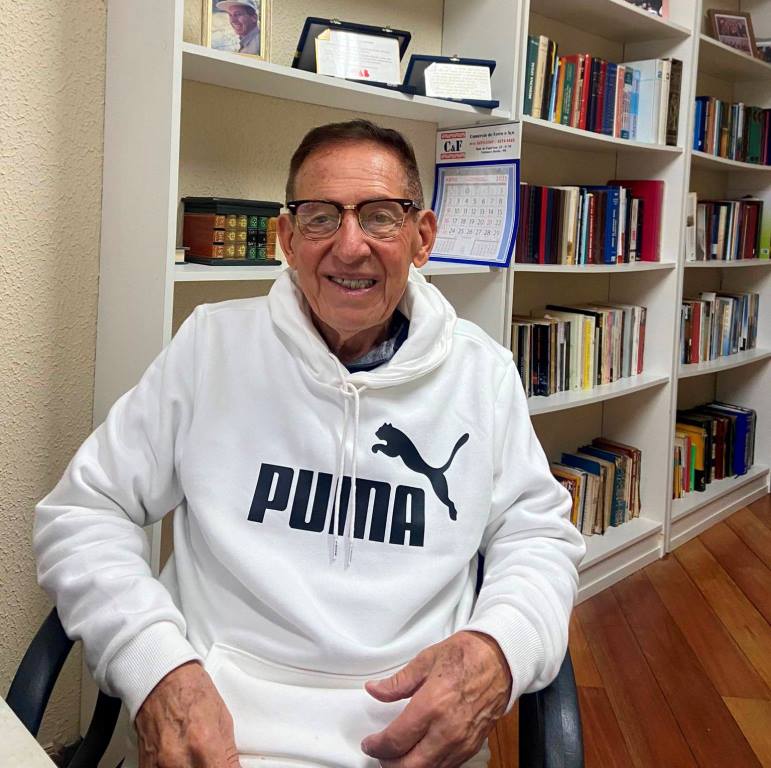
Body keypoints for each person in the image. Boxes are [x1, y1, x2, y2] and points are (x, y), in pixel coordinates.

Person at [34, 119, 586, 768]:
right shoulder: (211, 348)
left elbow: (538, 537)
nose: (349, 247)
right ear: (287, 239)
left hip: (412, 743)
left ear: (421, 238)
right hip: (215, 738)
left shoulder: (481, 374)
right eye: (320, 218)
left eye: (380, 217)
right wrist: (156, 668)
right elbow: (86, 510)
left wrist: (498, 650)